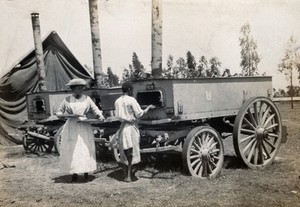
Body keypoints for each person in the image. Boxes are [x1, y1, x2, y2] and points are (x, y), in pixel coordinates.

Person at [56, 78, 105, 182]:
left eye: (82, 88)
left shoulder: (87, 99)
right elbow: (59, 111)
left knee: (84, 148)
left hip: (83, 125)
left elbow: (95, 109)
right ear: (73, 89)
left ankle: (86, 172)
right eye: (78, 88)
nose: (81, 90)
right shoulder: (67, 100)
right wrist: (61, 115)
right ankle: (74, 173)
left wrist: (100, 115)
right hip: (71, 126)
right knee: (73, 149)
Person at [114, 82, 155, 182]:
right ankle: (128, 176)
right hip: (131, 127)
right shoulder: (131, 100)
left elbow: (118, 116)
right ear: (129, 90)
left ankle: (125, 174)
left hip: (122, 127)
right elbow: (139, 114)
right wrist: (148, 108)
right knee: (131, 151)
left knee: (124, 150)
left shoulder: (117, 101)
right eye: (131, 90)